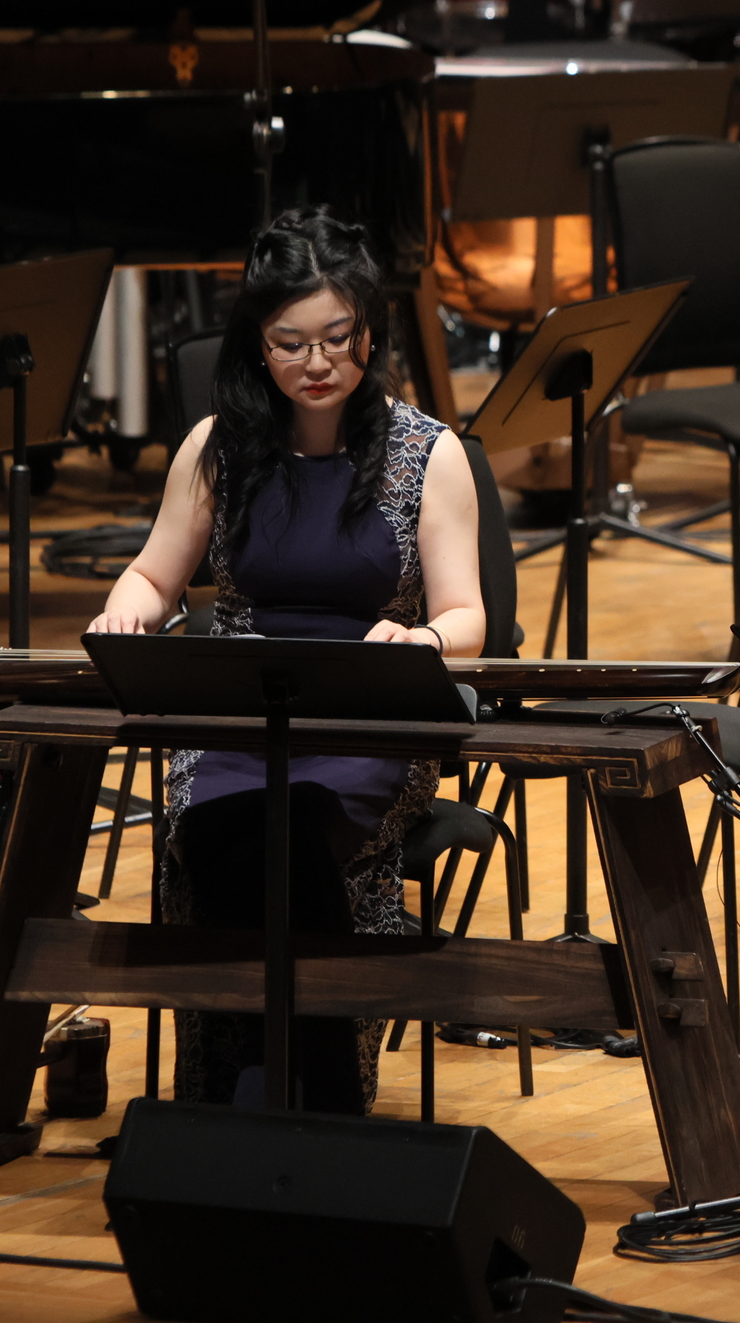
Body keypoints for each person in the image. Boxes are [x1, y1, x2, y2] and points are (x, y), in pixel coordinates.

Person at [89, 205, 484, 1114]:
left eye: (338, 338)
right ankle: (305, 1101)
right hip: (239, 716)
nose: (317, 362)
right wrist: (127, 608)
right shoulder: (219, 448)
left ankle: (263, 1102)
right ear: (258, 346)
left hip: (369, 719)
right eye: (291, 343)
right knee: (228, 830)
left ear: (370, 333)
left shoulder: (429, 453)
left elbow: (466, 616)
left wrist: (422, 639)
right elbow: (152, 573)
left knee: (290, 828)